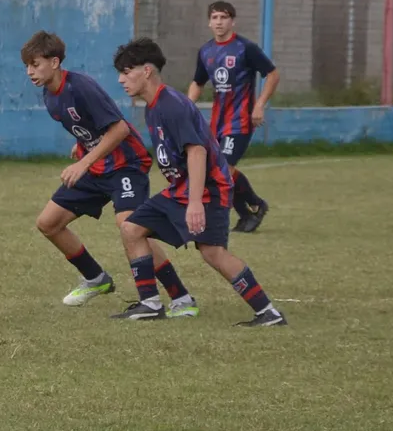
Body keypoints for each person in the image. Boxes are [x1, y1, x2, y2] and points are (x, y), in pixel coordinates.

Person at [21, 31, 199, 317]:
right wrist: (81, 147)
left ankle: (179, 298)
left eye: (35, 64)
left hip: (125, 164)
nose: (30, 71)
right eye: (27, 66)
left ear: (54, 62)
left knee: (130, 226)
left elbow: (119, 129)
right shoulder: (49, 95)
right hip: (97, 166)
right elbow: (90, 126)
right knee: (48, 223)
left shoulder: (81, 87)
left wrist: (83, 163)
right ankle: (95, 278)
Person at [112, 38, 286, 326]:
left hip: (208, 191)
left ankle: (267, 312)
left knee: (213, 252)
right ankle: (150, 303)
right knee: (131, 228)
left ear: (146, 71)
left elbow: (197, 151)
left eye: (126, 72)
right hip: (181, 190)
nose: (121, 79)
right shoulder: (153, 106)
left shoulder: (172, 105)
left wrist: (195, 203)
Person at [188, 1, 280, 233]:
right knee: (216, 170)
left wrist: (259, 105)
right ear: (209, 22)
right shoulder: (206, 51)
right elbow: (198, 82)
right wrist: (186, 106)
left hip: (239, 121)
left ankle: (254, 206)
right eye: (215, 17)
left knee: (223, 169)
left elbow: (272, 74)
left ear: (233, 21)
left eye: (224, 17)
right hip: (217, 123)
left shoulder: (245, 48)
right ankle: (249, 211)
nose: (219, 22)